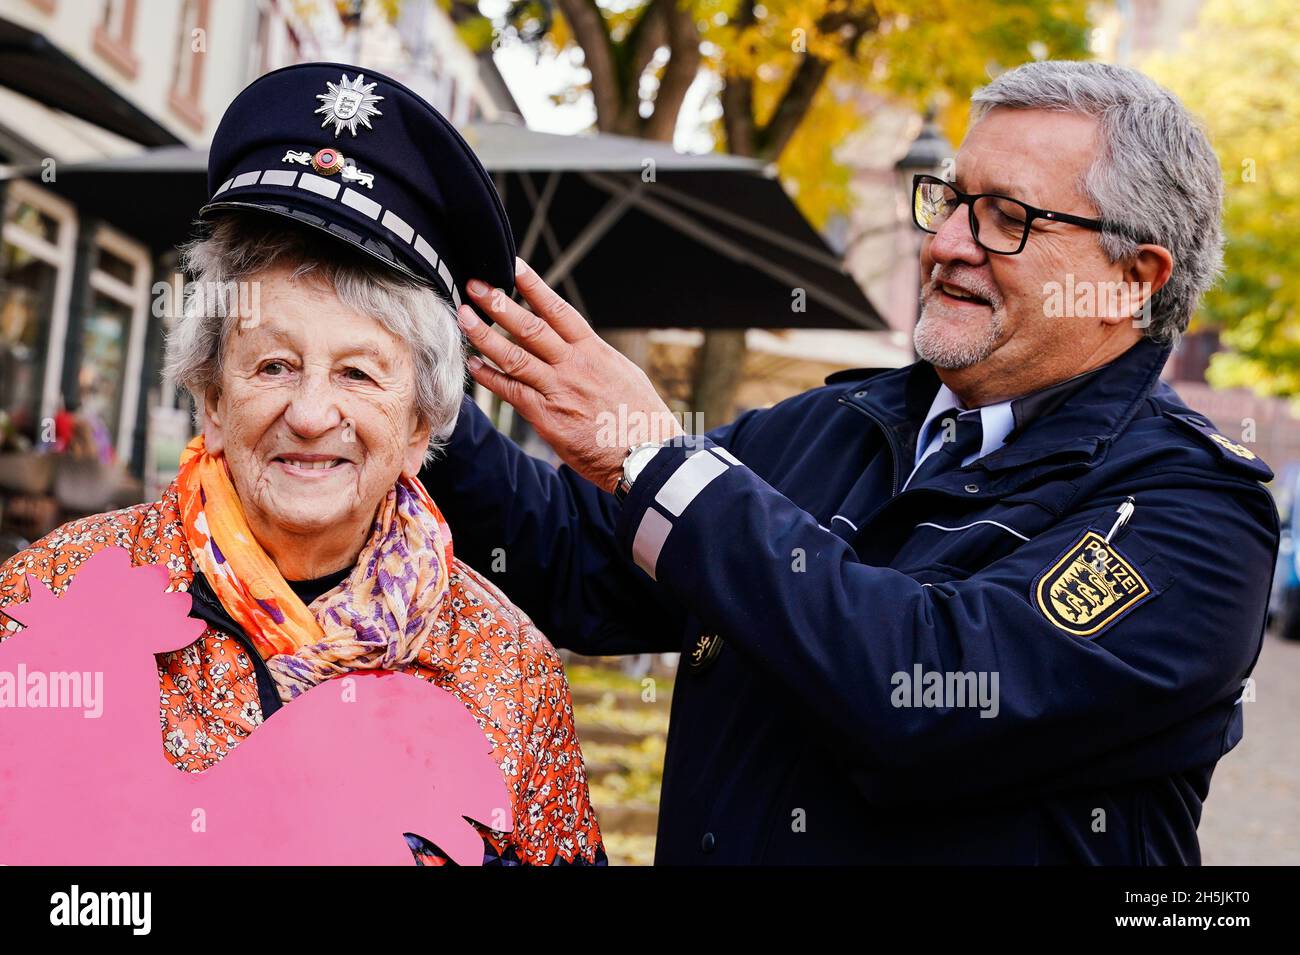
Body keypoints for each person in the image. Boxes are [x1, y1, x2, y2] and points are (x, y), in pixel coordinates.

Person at [422, 60, 1280, 864]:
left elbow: (928, 690)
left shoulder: (1196, 514)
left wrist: (656, 458)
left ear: (1132, 278)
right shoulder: (837, 423)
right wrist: (411, 400)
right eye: (949, 200)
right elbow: (574, 555)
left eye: (1006, 219)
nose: (947, 243)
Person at [0, 63, 604, 867]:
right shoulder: (62, 590)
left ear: (420, 425)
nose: (313, 413)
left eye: (358, 373)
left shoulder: (508, 665)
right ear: (212, 400)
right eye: (275, 366)